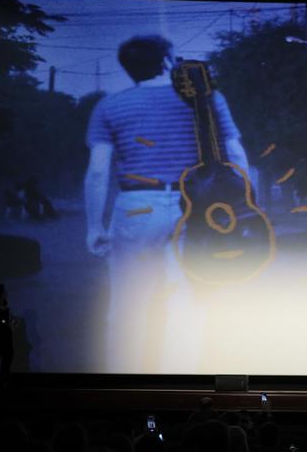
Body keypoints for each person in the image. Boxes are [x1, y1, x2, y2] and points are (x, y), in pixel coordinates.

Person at [83, 34, 249, 373]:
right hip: (193, 206)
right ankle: (180, 389)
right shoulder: (207, 100)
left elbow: (98, 171)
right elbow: (235, 155)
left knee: (128, 303)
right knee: (185, 304)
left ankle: (121, 385)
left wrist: (94, 227)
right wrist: (246, 207)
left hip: (135, 207)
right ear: (166, 60)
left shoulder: (110, 107)